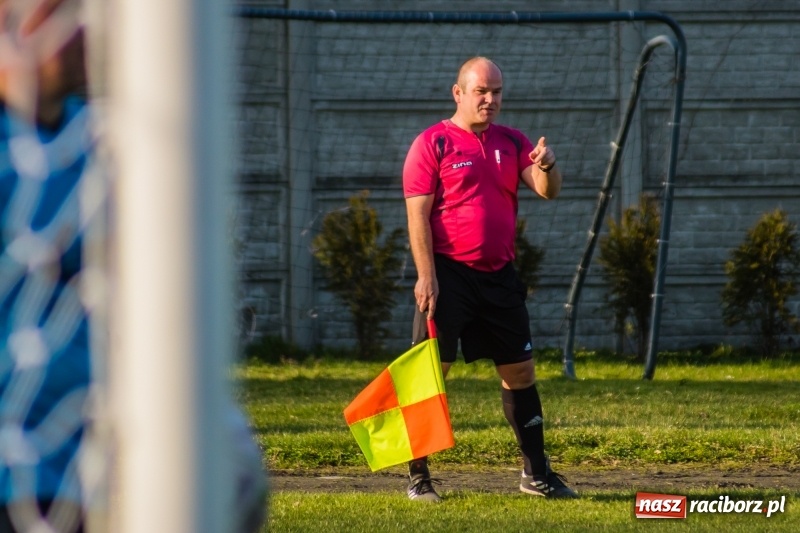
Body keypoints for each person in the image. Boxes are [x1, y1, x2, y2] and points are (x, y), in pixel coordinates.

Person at [402, 56, 578, 502]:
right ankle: (418, 478)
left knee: (520, 372)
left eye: (496, 92)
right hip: (447, 277)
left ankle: (535, 474)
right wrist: (426, 277)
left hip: (500, 277)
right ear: (458, 93)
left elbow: (548, 191)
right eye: (481, 91)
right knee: (429, 377)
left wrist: (548, 165)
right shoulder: (432, 143)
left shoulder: (513, 141)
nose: (490, 99)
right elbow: (417, 217)